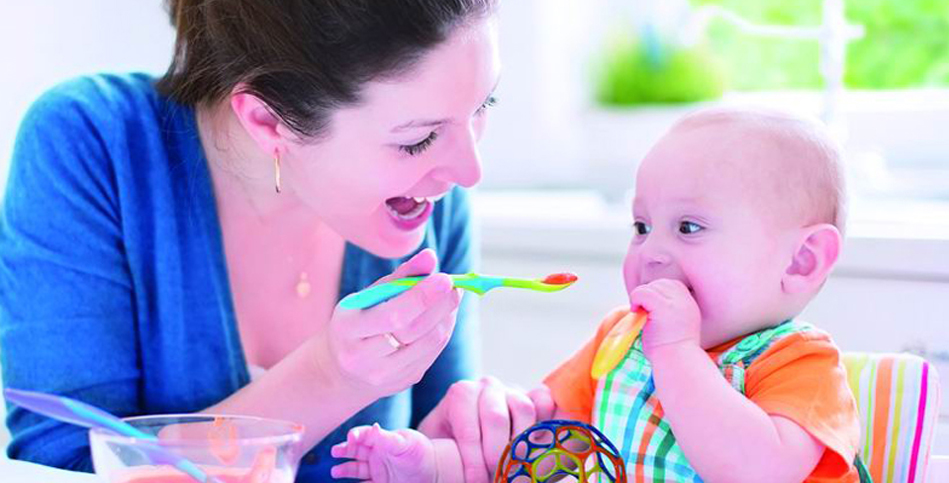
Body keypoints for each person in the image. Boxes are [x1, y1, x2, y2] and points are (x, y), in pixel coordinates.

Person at [0, 1, 544, 481]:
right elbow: (63, 466)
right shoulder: (93, 147)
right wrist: (330, 377)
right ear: (267, 121)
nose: (469, 171)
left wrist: (455, 452)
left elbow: (431, 446)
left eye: (483, 107)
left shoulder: (425, 198)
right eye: (419, 139)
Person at [329, 107, 870, 482]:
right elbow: (536, 449)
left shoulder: (803, 365)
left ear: (801, 261)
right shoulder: (620, 345)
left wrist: (676, 352)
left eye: (688, 228)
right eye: (641, 227)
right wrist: (432, 464)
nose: (650, 253)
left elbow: (754, 470)